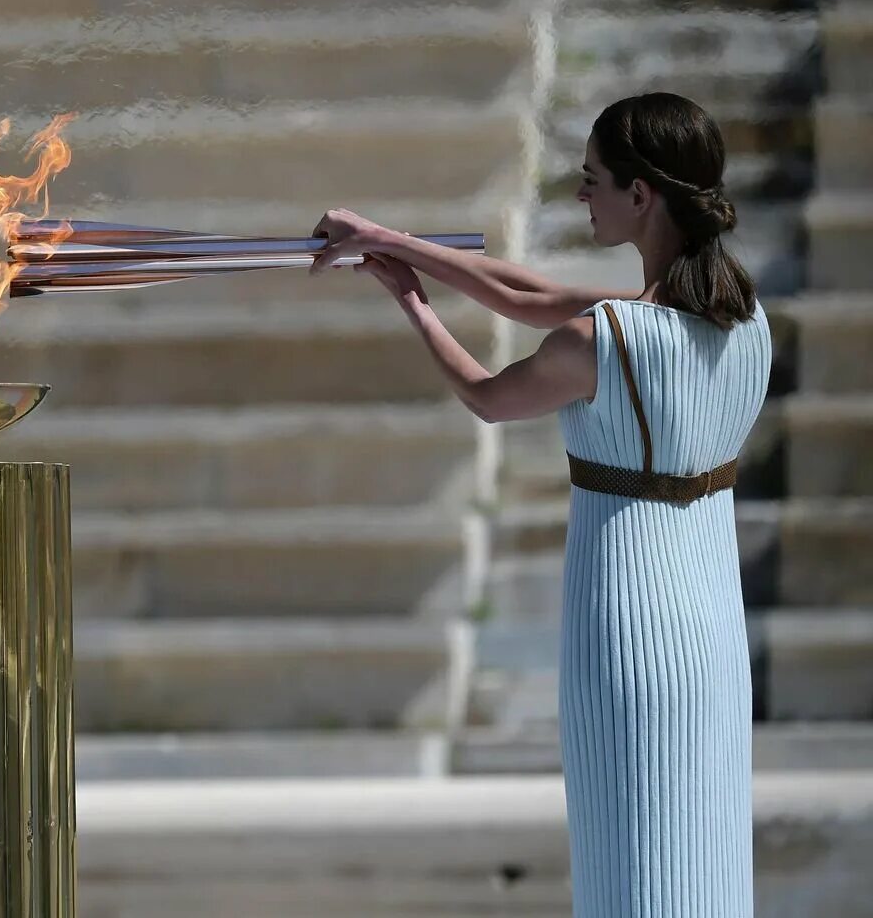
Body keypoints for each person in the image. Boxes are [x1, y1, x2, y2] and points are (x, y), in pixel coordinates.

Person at [311, 91, 767, 915]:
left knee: (630, 866)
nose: (580, 194)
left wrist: (408, 298)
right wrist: (388, 240)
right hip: (711, 633)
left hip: (628, 631)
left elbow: (488, 395)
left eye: (593, 179)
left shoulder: (607, 339)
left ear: (643, 196)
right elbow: (524, 292)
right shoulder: (744, 321)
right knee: (700, 862)